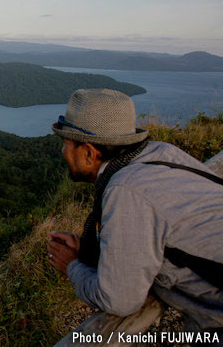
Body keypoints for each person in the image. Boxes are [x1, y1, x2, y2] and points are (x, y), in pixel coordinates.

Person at [47, 88, 223, 344]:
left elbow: (119, 300)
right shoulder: (162, 153)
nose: (63, 153)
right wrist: (89, 250)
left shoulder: (126, 190)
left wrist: (72, 266)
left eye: (66, 144)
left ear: (89, 153)